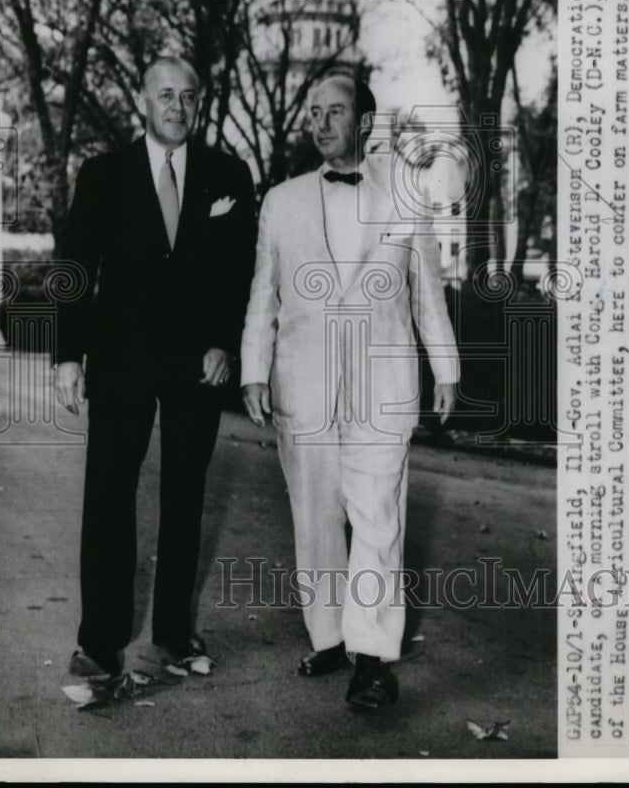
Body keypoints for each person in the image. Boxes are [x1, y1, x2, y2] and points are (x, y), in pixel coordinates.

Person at [240, 72, 459, 708]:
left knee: (378, 519)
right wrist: (254, 368)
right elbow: (265, 292)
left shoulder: (404, 195)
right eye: (313, 112)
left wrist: (445, 367)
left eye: (334, 111)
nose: (321, 122)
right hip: (302, 386)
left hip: (382, 383)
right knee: (314, 518)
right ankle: (329, 634)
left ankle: (371, 657)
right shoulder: (281, 201)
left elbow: (427, 292)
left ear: (364, 123)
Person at [53, 56, 256, 678]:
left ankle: (173, 633)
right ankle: (100, 641)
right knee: (109, 494)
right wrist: (67, 355)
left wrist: (227, 342)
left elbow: (241, 271)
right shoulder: (104, 174)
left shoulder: (228, 175)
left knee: (186, 495)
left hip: (199, 363)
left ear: (200, 102)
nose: (177, 107)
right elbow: (75, 270)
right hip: (120, 359)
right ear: (144, 100)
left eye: (188, 96)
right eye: (165, 95)